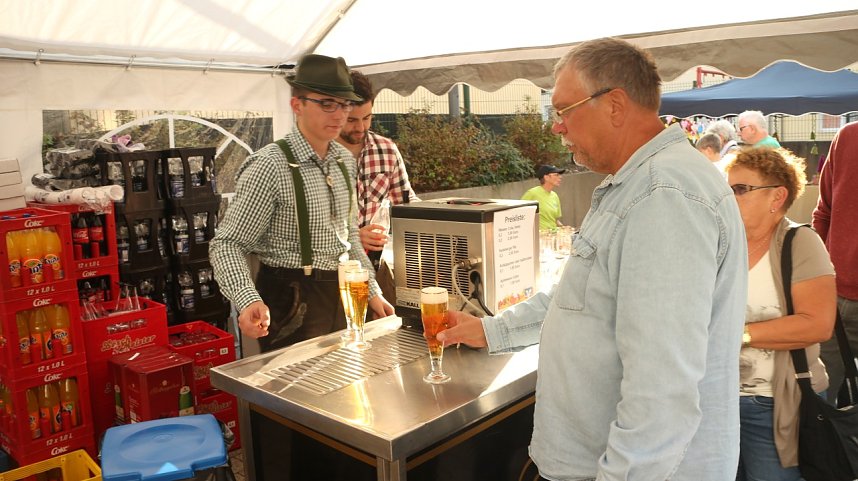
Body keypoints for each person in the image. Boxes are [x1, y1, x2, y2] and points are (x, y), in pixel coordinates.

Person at [437, 37, 748, 481]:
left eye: (563, 110)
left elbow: (661, 390)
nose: (557, 128)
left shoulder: (662, 196)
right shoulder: (635, 185)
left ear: (615, 105)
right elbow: (578, 297)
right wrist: (491, 330)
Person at [210, 54, 394, 353]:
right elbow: (227, 244)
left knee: (346, 376)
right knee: (296, 382)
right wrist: (247, 299)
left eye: (345, 104)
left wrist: (372, 292)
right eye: (327, 103)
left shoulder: (344, 161)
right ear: (297, 105)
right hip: (292, 298)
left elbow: (348, 236)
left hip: (343, 293)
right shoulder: (269, 165)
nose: (339, 114)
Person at [725, 147, 836, 480]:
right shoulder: (721, 244)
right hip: (718, 404)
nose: (728, 198)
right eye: (725, 189)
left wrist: (738, 334)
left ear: (777, 196)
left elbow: (817, 325)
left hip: (775, 407)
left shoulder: (800, 242)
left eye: (740, 189)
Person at [335, 70, 419, 263]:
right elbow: (308, 227)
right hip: (333, 267)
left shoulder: (386, 149)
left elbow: (405, 203)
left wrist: (441, 215)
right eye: (351, 120)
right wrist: (352, 237)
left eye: (367, 118)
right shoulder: (319, 155)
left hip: (375, 263)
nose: (361, 128)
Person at [813, 121, 858, 402]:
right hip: (834, 297)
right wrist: (816, 278)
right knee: (819, 403)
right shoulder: (848, 136)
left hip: (835, 295)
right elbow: (823, 213)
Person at [521, 164, 565, 231]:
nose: (560, 177)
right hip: (539, 236)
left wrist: (564, 228)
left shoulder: (555, 196)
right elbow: (519, 215)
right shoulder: (532, 193)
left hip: (553, 234)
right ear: (546, 177)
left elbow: (555, 220)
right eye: (556, 175)